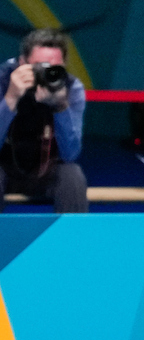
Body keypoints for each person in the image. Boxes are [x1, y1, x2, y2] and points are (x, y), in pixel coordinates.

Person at [0, 29, 87, 212]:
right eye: (40, 66)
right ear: (22, 62)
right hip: (4, 168)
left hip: (47, 170)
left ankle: (73, 239)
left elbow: (70, 154)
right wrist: (10, 99)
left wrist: (61, 107)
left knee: (73, 175)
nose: (47, 73)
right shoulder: (3, 80)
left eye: (54, 67)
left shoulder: (72, 88)